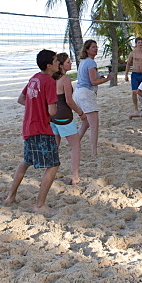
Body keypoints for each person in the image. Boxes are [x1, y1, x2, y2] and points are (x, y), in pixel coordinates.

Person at [5, 49, 60, 213]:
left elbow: (21, 99)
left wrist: (35, 108)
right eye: (56, 60)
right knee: (53, 165)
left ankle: (10, 196)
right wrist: (46, 110)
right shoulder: (49, 81)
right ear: (49, 65)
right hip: (41, 129)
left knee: (26, 161)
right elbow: (52, 111)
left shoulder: (34, 78)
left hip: (29, 127)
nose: (58, 63)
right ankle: (39, 205)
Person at [51, 52, 86, 185]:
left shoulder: (51, 78)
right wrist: (81, 114)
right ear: (61, 65)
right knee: (75, 146)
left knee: (55, 146)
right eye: (68, 62)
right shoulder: (65, 79)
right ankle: (75, 177)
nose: (70, 63)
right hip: (64, 116)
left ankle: (51, 173)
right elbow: (69, 101)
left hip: (52, 116)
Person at [74, 39, 112, 159]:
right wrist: (108, 78)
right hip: (86, 94)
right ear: (87, 49)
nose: (96, 49)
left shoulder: (83, 62)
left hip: (78, 93)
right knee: (94, 126)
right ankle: (94, 152)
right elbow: (93, 81)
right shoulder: (90, 62)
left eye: (96, 47)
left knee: (85, 123)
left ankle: (75, 144)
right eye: (93, 47)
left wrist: (98, 76)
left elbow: (90, 77)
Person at [124, 37, 142, 111]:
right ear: (136, 44)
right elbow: (128, 64)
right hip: (135, 74)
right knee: (134, 92)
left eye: (141, 42)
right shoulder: (132, 53)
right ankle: (136, 108)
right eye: (138, 42)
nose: (140, 44)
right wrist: (126, 74)